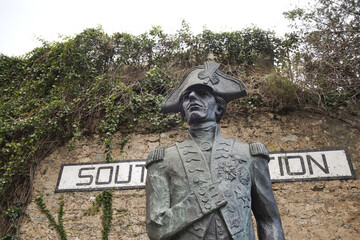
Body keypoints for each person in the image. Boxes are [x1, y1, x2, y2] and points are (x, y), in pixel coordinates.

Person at [145, 61, 284, 240]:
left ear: (218, 106)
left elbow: (268, 220)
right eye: (186, 97)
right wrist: (201, 202)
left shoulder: (249, 154)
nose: (193, 98)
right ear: (183, 112)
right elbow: (156, 228)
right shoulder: (163, 159)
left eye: (202, 94)